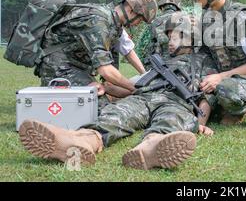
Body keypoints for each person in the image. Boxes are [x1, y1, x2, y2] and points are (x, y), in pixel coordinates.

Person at [19, 13, 216, 170]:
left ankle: (151, 147)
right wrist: (109, 90)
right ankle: (82, 140)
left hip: (176, 104)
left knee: (171, 121)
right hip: (142, 99)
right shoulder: (160, 61)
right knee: (115, 115)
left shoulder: (204, 62)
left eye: (179, 35)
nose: (172, 40)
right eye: (170, 35)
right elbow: (137, 87)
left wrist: (200, 123)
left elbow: (206, 96)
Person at [36, 0, 157, 96]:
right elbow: (106, 71)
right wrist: (137, 88)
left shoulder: (113, 23)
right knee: (98, 108)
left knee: (110, 95)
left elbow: (127, 50)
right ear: (131, 10)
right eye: (140, 19)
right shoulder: (98, 22)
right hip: (59, 68)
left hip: (74, 67)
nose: (138, 24)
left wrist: (144, 75)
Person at [143, 0, 182, 67]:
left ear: (162, 7)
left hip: (160, 62)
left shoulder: (155, 22)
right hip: (180, 62)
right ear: (177, 7)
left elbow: (153, 42)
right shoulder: (184, 19)